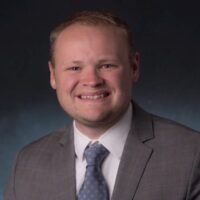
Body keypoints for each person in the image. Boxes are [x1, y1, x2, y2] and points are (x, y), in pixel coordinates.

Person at [4, 10, 200, 200]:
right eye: (74, 68)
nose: (91, 80)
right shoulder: (27, 163)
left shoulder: (191, 154)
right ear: (53, 75)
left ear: (134, 67)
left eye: (106, 65)